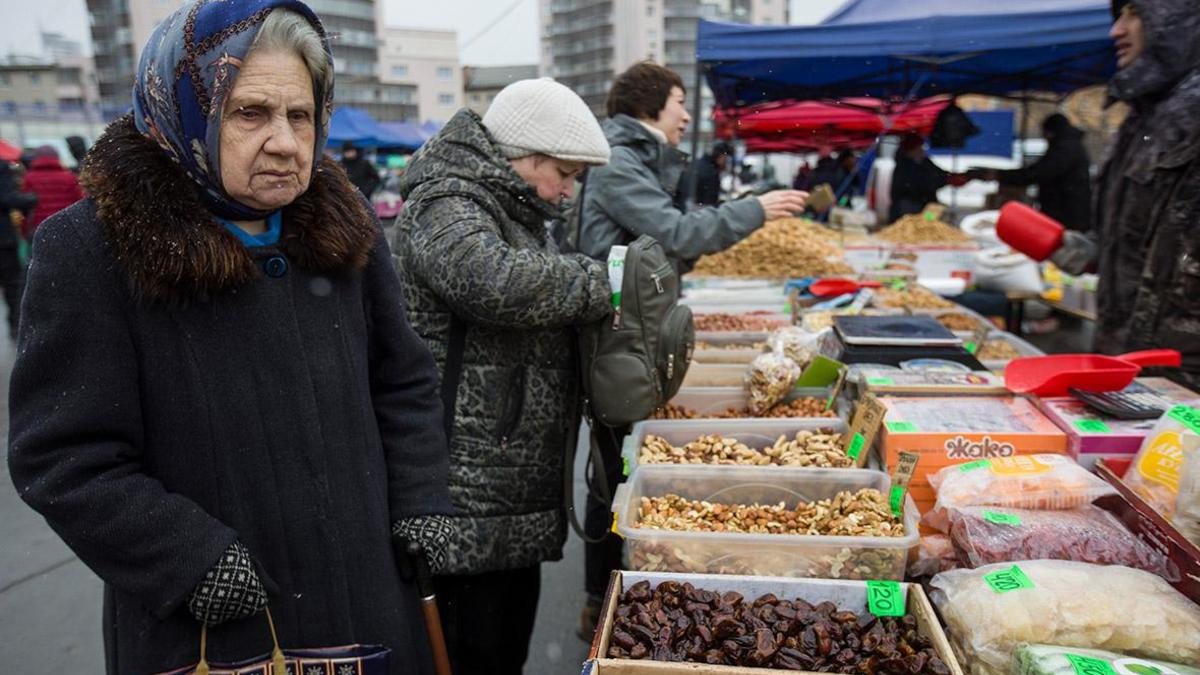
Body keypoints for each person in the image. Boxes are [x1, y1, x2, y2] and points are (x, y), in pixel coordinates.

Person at [6, 3, 454, 673]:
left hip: (362, 600)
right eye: (250, 113)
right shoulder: (90, 249)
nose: (285, 141)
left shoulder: (344, 222)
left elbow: (404, 380)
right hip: (213, 634)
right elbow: (63, 455)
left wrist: (420, 496)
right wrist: (189, 558)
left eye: (299, 115)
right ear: (187, 106)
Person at [576, 61, 807, 638]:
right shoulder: (617, 163)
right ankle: (603, 601)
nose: (686, 115)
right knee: (613, 471)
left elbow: (665, 242)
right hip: (618, 343)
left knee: (621, 467)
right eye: (679, 101)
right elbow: (673, 234)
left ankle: (616, 593)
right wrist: (753, 210)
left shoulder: (637, 159)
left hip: (633, 337)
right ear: (652, 105)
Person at [391, 78, 612, 675]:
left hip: (508, 487)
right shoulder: (445, 202)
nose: (566, 192)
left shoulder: (518, 211)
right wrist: (601, 281)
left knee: (503, 649)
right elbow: (491, 282)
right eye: (563, 173)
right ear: (526, 156)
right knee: (471, 653)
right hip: (462, 493)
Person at [1048, 0, 1200, 387]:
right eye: (1118, 14)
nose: (1116, 29)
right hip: (1132, 371)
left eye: (1134, 12)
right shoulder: (1143, 119)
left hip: (1183, 381)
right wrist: (1097, 248)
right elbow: (1155, 238)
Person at [976, 114, 1092, 231]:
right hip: (1069, 211)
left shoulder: (1065, 149)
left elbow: (1038, 173)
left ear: (1051, 131)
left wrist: (1000, 175)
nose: (1044, 137)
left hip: (1067, 213)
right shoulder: (1069, 145)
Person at [889, 133, 967, 223]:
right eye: (919, 147)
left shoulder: (924, 162)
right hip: (910, 208)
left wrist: (950, 177)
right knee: (916, 225)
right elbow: (920, 184)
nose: (922, 150)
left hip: (926, 205)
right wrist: (943, 180)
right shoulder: (904, 167)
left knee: (931, 222)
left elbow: (939, 174)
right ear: (911, 150)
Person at [19, 145, 84, 240]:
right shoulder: (70, 177)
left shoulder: (29, 178)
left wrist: (24, 230)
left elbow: (25, 206)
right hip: (66, 225)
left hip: (38, 228)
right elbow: (79, 201)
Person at [0, 159, 35, 336]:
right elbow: (6, 198)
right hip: (3, 238)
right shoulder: (2, 166)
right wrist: (29, 200)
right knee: (12, 283)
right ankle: (16, 326)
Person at [683, 140, 732, 207]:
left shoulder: (695, 163)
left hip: (685, 207)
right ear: (720, 156)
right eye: (725, 158)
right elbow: (710, 202)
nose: (725, 162)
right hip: (698, 210)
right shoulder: (711, 172)